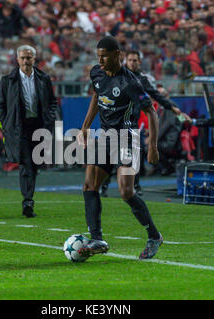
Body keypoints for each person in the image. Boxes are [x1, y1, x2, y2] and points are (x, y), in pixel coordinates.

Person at [77, 36, 163, 260]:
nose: (101, 61)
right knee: (89, 185)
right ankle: (96, 238)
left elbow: (151, 112)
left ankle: (154, 236)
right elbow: (97, 96)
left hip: (127, 138)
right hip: (105, 136)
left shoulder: (130, 82)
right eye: (99, 56)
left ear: (118, 55)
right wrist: (85, 127)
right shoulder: (96, 73)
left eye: (105, 56)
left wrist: (152, 146)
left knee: (126, 191)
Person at [100, 50, 181, 197]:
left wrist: (171, 107)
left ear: (139, 62)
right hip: (114, 123)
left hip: (131, 124)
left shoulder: (142, 80)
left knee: (133, 157)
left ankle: (135, 186)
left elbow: (156, 94)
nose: (132, 62)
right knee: (110, 156)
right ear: (126, 61)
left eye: (135, 60)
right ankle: (103, 186)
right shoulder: (117, 76)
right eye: (130, 60)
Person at [0, 44, 58, 218]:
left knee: (34, 164)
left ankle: (28, 199)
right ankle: (28, 201)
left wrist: (49, 118)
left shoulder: (43, 78)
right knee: (25, 163)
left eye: (28, 57)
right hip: (19, 126)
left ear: (34, 59)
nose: (25, 60)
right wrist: (7, 122)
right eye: (23, 57)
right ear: (17, 59)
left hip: (38, 125)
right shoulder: (8, 80)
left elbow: (52, 102)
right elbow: (1, 104)